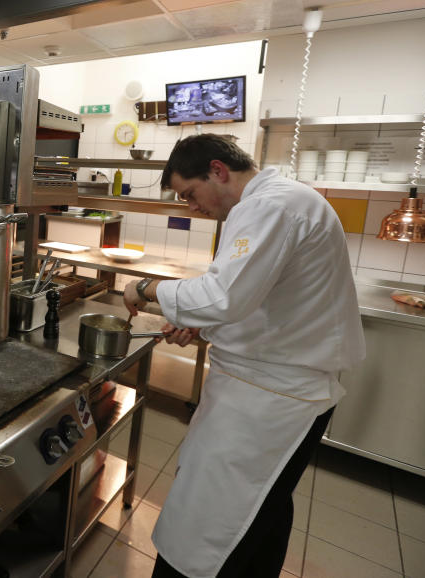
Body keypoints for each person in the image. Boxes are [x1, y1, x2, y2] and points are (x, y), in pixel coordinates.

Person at [123, 134, 364, 578]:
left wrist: (146, 287)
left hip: (272, 398)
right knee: (262, 510)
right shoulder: (276, 202)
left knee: (216, 520)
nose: (191, 207)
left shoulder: (270, 206)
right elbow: (259, 298)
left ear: (217, 170)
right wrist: (202, 323)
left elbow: (224, 294)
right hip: (270, 388)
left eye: (190, 194)